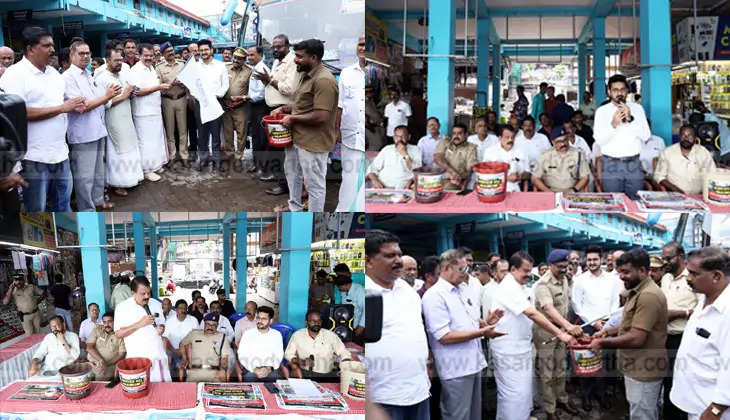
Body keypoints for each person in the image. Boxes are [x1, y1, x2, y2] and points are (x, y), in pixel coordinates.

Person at [0, 26, 82, 211]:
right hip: (34, 158)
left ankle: (66, 240)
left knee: (63, 206)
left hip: (60, 154)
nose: (52, 50)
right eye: (46, 46)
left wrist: (73, 104)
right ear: (30, 49)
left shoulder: (54, 74)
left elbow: (61, 103)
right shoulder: (15, 75)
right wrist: (61, 108)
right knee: (36, 211)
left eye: (52, 45)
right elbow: (16, 114)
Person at [490, 251, 577, 420]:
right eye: (526, 271)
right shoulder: (508, 287)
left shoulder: (519, 286)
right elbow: (532, 313)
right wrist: (562, 333)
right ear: (513, 269)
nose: (529, 275)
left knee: (522, 392)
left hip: (521, 347)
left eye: (531, 270)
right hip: (509, 349)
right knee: (514, 394)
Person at [422, 249, 504, 420]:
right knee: (457, 415)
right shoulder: (434, 296)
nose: (465, 273)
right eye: (461, 269)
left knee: (474, 414)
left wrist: (488, 321)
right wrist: (483, 332)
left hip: (474, 362)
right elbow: (444, 337)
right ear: (446, 269)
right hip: (456, 368)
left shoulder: (464, 289)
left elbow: (473, 322)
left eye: (467, 268)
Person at [590, 249, 668, 420]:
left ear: (642, 270)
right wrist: (607, 332)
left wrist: (603, 343)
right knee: (639, 411)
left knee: (642, 415)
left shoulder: (648, 295)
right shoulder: (636, 291)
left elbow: (636, 338)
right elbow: (629, 325)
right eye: (620, 272)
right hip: (635, 367)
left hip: (644, 370)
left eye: (626, 272)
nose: (621, 277)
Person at [366, 230, 430, 419]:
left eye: (399, 254)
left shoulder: (408, 291)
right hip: (383, 400)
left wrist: (427, 364)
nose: (398, 260)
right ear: (369, 261)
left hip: (419, 392)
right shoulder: (366, 294)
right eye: (390, 255)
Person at [273, 39, 338, 212]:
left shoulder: (324, 80)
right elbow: (303, 104)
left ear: (314, 57)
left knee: (314, 185)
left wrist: (292, 119)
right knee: (293, 175)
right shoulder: (305, 74)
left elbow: (321, 116)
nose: (295, 59)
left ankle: (312, 218)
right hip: (297, 138)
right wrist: (284, 108)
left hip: (314, 143)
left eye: (300, 56)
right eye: (296, 55)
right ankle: (295, 207)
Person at [670, 247, 730, 420]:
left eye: (694, 274)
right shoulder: (706, 298)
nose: (688, 278)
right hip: (696, 402)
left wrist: (715, 409)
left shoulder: (727, 313)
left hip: (712, 410)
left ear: (716, 276)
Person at [63, 40, 119, 211]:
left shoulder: (88, 74)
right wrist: (106, 96)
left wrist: (103, 97)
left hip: (97, 130)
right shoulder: (68, 78)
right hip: (82, 134)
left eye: (88, 53)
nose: (86, 56)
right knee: (84, 176)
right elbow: (81, 107)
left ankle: (98, 201)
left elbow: (93, 101)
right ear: (72, 55)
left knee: (97, 172)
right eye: (81, 53)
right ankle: (87, 209)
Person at [532, 250, 583, 420]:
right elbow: (549, 309)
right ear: (551, 265)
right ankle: (550, 409)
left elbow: (567, 304)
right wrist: (568, 326)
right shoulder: (542, 285)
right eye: (560, 267)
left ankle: (562, 399)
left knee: (560, 369)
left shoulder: (565, 279)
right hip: (546, 332)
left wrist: (569, 326)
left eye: (565, 266)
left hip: (563, 330)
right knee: (547, 373)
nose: (563, 270)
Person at [571, 245, 621, 411]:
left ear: (601, 259)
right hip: (588, 327)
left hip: (608, 326)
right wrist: (593, 322)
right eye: (589, 259)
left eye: (595, 259)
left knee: (604, 362)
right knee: (587, 363)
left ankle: (601, 394)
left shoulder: (611, 280)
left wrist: (608, 323)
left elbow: (615, 302)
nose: (592, 262)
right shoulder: (580, 280)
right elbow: (577, 305)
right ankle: (586, 396)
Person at [594, 74, 651, 199]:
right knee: (614, 202)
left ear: (627, 91)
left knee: (635, 200)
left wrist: (630, 118)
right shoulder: (602, 112)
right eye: (615, 90)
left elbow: (646, 136)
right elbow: (599, 140)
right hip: (611, 164)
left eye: (622, 89)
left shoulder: (637, 109)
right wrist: (613, 125)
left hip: (633, 163)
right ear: (609, 92)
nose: (619, 93)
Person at [660, 242, 700, 420]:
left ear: (681, 257)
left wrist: (680, 313)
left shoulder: (693, 278)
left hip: (683, 339)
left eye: (669, 258)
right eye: (664, 258)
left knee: (682, 383)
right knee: (668, 382)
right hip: (664, 338)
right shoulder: (666, 278)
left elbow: (703, 311)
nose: (665, 262)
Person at [96, 48, 144, 197]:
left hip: (127, 117)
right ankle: (117, 184)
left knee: (130, 147)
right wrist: (124, 96)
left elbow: (128, 92)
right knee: (118, 152)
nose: (119, 63)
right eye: (116, 60)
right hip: (114, 120)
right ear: (107, 61)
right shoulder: (101, 78)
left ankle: (132, 178)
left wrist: (131, 93)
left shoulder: (123, 75)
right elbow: (103, 103)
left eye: (120, 60)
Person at [261, 34, 302, 196]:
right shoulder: (277, 61)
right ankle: (280, 178)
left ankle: (284, 185)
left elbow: (289, 89)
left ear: (288, 46)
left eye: (279, 47)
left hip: (283, 110)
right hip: (273, 109)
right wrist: (267, 80)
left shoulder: (292, 62)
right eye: (274, 47)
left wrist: (270, 81)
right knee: (274, 148)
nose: (275, 49)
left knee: (282, 149)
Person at [114, 276, 171, 382]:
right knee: (140, 392)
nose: (147, 296)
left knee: (163, 393)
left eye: (148, 293)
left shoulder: (155, 303)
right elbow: (118, 333)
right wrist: (140, 324)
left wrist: (161, 329)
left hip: (157, 356)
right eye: (143, 294)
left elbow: (162, 324)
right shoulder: (122, 308)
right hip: (137, 358)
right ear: (132, 293)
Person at [129, 43, 169, 180]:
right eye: (145, 55)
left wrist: (159, 88)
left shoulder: (151, 68)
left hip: (154, 110)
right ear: (139, 55)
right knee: (145, 142)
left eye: (151, 55)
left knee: (156, 140)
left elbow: (152, 88)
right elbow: (137, 91)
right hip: (143, 113)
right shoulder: (135, 70)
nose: (148, 58)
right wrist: (158, 87)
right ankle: (146, 170)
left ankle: (156, 165)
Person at [336, 34, 366, 211]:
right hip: (349, 136)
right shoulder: (346, 73)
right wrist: (336, 130)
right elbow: (340, 105)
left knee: (365, 180)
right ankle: (344, 211)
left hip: (368, 137)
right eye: (361, 44)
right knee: (348, 179)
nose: (363, 48)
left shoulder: (374, 72)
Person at [285, 310, 353, 380]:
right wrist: (301, 361)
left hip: (327, 374)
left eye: (319, 321)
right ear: (306, 322)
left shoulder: (330, 335)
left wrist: (345, 363)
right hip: (304, 373)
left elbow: (343, 352)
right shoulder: (297, 335)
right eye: (313, 321)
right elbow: (288, 354)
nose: (316, 323)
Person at [654, 124, 716, 194]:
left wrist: (707, 192)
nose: (686, 138)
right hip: (675, 195)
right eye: (683, 135)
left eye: (690, 135)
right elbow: (659, 176)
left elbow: (712, 173)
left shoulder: (703, 152)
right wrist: (675, 189)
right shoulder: (667, 152)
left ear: (695, 138)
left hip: (700, 195)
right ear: (679, 137)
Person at [196, 39, 228, 172]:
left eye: (206, 49)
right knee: (202, 134)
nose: (203, 52)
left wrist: (216, 95)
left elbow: (225, 85)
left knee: (215, 135)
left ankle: (216, 162)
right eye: (201, 50)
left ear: (211, 50)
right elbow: (193, 87)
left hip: (216, 102)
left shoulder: (220, 66)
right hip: (201, 103)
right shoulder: (196, 66)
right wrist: (201, 98)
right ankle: (203, 160)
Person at [156, 42, 188, 166]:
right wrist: (171, 84)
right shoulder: (159, 67)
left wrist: (183, 84)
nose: (171, 53)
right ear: (163, 54)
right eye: (168, 51)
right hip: (167, 100)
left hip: (181, 99)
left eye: (171, 50)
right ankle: (172, 156)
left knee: (183, 130)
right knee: (170, 130)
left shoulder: (182, 64)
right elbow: (158, 86)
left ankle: (184, 156)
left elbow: (190, 81)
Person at [532, 127, 590, 192]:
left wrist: (573, 190)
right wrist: (548, 192)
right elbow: (534, 178)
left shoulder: (579, 154)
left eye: (565, 140)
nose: (563, 144)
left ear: (568, 138)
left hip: (573, 192)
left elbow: (585, 177)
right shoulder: (546, 155)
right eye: (559, 141)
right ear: (553, 142)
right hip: (551, 191)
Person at [219, 47, 251, 165]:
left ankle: (239, 155)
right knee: (227, 132)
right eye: (235, 57)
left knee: (241, 132)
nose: (236, 60)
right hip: (226, 106)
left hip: (241, 107)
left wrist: (241, 100)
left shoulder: (249, 71)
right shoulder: (225, 68)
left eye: (240, 59)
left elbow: (251, 91)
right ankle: (229, 154)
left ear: (244, 60)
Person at [180, 312, 232, 382]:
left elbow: (224, 358)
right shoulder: (194, 333)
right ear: (204, 323)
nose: (210, 327)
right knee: (189, 391)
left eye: (214, 325)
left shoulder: (222, 337)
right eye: (208, 324)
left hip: (214, 374)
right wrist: (184, 358)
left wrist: (223, 369)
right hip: (194, 373)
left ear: (217, 326)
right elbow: (182, 344)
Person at [237, 306, 285, 382]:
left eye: (264, 319)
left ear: (271, 320)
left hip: (270, 369)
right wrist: (254, 369)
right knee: (249, 378)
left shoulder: (276, 335)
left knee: (277, 383)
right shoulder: (248, 334)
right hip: (251, 370)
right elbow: (242, 354)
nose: (260, 321)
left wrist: (269, 369)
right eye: (258, 318)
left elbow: (279, 354)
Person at [366, 125, 421, 189]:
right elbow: (373, 168)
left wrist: (405, 154)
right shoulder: (387, 149)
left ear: (409, 137)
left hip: (403, 187)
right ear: (393, 137)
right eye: (397, 137)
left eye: (402, 136)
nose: (399, 139)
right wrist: (374, 180)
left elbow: (417, 171)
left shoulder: (415, 149)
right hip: (382, 186)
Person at [246, 45, 271, 175]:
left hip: (261, 106)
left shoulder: (262, 69)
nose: (249, 57)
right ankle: (257, 164)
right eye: (248, 55)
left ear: (260, 55)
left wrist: (246, 97)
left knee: (262, 138)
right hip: (254, 106)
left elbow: (261, 93)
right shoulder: (255, 68)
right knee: (255, 136)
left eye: (252, 55)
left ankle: (264, 167)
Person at [482, 125, 529, 193]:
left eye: (512, 137)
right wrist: (506, 178)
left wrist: (520, 176)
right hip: (494, 189)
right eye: (507, 137)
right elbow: (486, 174)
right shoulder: (490, 152)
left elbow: (528, 173)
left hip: (516, 189)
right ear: (500, 138)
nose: (510, 140)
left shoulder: (521, 151)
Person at [434, 123, 478, 191]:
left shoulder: (471, 148)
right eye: (454, 133)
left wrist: (458, 177)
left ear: (466, 135)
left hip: (453, 184)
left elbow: (469, 171)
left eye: (459, 133)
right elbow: (438, 159)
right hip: (435, 181)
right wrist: (453, 173)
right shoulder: (445, 142)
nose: (456, 136)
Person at [163, 299, 199, 376]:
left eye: (185, 308)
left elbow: (197, 339)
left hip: (188, 351)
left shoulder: (193, 320)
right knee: (167, 358)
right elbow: (165, 339)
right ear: (176, 309)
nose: (183, 310)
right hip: (173, 350)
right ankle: (169, 382)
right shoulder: (169, 321)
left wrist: (184, 352)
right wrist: (175, 350)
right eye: (180, 308)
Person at [86, 311, 126, 381]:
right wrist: (102, 361)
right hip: (92, 364)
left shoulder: (120, 334)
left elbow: (121, 354)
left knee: (100, 381)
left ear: (115, 321)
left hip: (108, 366)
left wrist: (105, 364)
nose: (106, 324)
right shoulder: (97, 330)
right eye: (104, 322)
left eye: (109, 322)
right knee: (80, 379)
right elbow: (89, 347)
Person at [334, 274, 365, 341]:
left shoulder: (359, 290)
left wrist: (361, 326)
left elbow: (366, 309)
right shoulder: (344, 291)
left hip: (358, 326)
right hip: (348, 326)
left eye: (339, 287)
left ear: (346, 284)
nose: (339, 289)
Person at [185, 42, 201, 162]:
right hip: (189, 102)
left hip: (203, 102)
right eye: (193, 51)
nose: (196, 52)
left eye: (197, 50)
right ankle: (194, 150)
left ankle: (205, 150)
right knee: (191, 128)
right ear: (188, 53)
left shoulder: (204, 64)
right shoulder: (185, 66)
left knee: (204, 127)